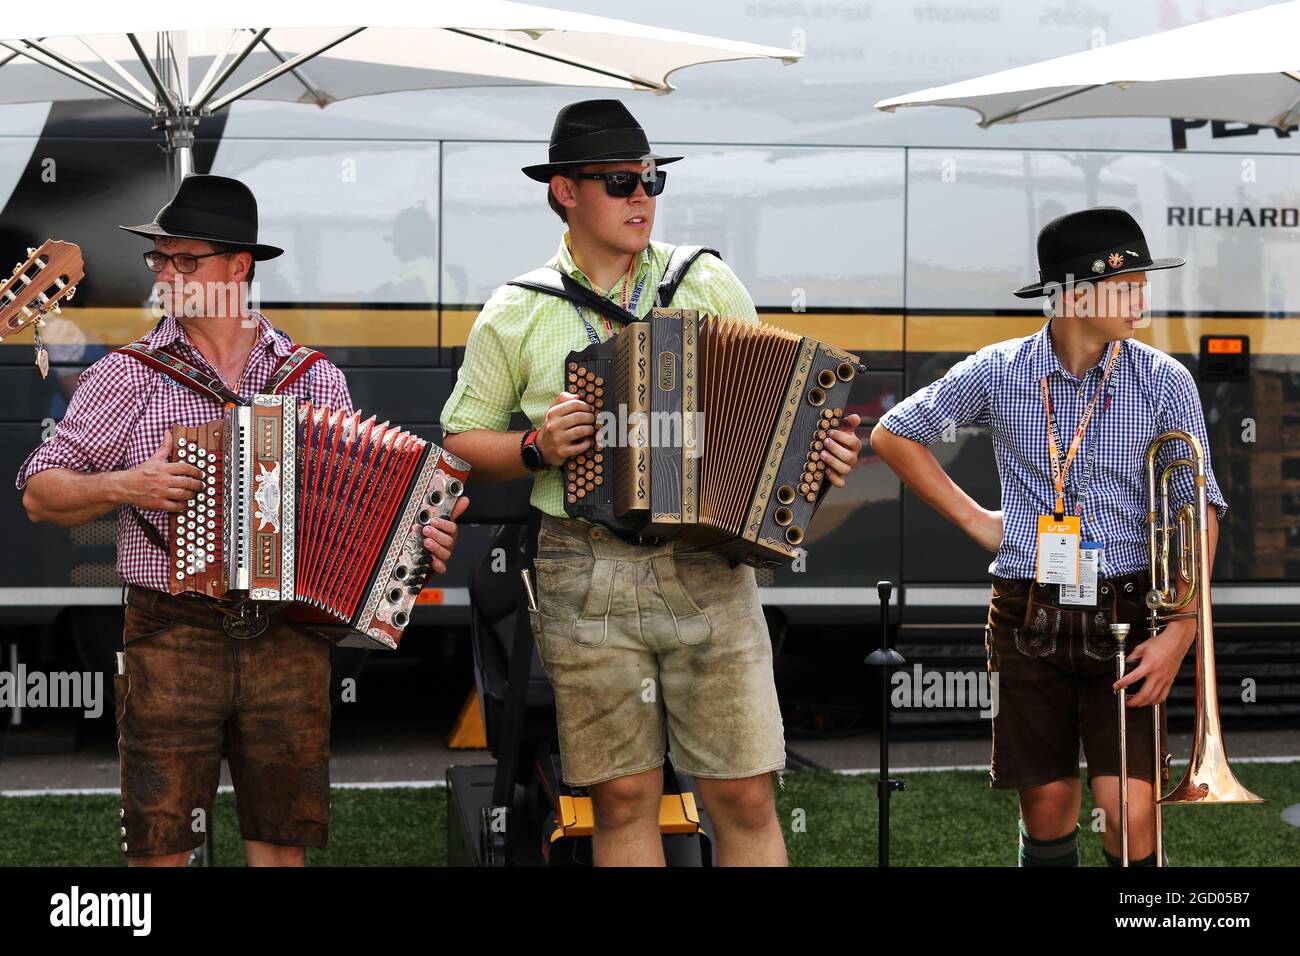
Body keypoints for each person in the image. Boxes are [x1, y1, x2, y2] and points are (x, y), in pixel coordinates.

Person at [439, 99, 862, 866]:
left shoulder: (703, 280)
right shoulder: (517, 308)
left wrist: (820, 457)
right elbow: (462, 436)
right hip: (584, 566)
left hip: (708, 566)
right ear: (564, 192)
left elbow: (778, 408)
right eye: (620, 182)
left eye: (651, 179)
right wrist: (536, 447)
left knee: (743, 791)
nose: (643, 196)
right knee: (621, 798)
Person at [17, 174, 467, 866]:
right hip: (171, 632)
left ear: (238, 268)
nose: (164, 273)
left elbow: (366, 512)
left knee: (281, 851)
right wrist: (128, 483)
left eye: (183, 259)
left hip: (288, 638)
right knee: (159, 851)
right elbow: (39, 493)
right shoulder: (129, 374)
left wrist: (420, 538)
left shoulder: (311, 377)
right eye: (158, 259)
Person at [871, 207, 1226, 867]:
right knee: (1048, 806)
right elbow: (893, 433)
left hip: (1131, 610)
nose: (1141, 297)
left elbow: (1199, 507)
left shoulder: (1163, 379)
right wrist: (979, 521)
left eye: (1143, 281)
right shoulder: (999, 370)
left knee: (1129, 813)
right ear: (1068, 297)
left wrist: (1180, 631)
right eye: (1125, 284)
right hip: (1026, 608)